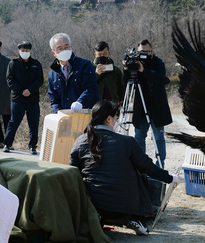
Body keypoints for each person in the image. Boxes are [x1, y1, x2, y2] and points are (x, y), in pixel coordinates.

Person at [70, 100, 180, 236]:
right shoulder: (127, 142)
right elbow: (149, 168)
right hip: (125, 208)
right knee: (139, 173)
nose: (118, 122)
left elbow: (73, 173)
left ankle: (97, 219)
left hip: (94, 207)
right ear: (109, 119)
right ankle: (135, 219)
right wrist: (170, 178)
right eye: (116, 118)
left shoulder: (80, 141)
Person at [123, 39, 172, 169]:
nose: (144, 54)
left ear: (152, 51)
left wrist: (143, 70)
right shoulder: (134, 63)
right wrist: (126, 69)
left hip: (157, 107)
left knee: (158, 138)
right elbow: (126, 84)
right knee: (139, 137)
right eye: (141, 52)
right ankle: (141, 165)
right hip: (140, 108)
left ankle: (160, 166)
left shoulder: (158, 63)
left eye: (147, 51)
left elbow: (160, 79)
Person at [3, 41, 43, 154]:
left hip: (33, 99)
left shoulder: (36, 64)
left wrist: (30, 90)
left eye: (27, 50)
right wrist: (21, 91)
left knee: (33, 123)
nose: (25, 52)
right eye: (22, 50)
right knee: (14, 122)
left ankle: (32, 146)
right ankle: (7, 144)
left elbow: (40, 80)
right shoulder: (13, 63)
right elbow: (10, 79)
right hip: (18, 99)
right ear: (19, 51)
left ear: (30, 51)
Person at [48, 33, 100, 114]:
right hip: (66, 117)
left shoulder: (85, 65)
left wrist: (80, 102)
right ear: (54, 53)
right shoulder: (53, 74)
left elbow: (91, 88)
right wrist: (58, 113)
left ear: (71, 47)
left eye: (66, 46)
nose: (64, 50)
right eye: (59, 48)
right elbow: (54, 99)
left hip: (88, 113)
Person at [0, 41, 11, 149]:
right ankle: (1, 141)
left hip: (6, 94)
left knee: (7, 118)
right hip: (6, 94)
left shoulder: (8, 61)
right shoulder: (8, 61)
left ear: (1, 47)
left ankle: (8, 142)